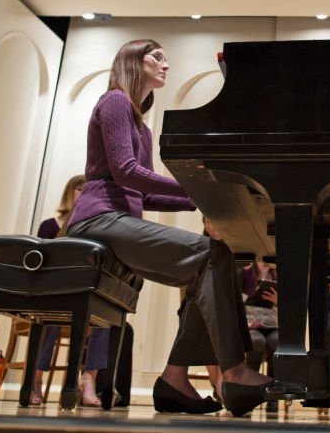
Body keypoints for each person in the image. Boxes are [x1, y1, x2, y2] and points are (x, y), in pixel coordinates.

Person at [64, 39, 271, 417]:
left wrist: (196, 200)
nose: (165, 64)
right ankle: (234, 369)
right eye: (157, 56)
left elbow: (137, 194)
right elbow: (127, 173)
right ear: (132, 61)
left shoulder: (140, 127)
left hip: (119, 220)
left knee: (206, 269)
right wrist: (196, 187)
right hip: (97, 221)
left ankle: (174, 377)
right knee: (213, 253)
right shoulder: (114, 102)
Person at [30, 174, 107, 407]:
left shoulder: (94, 229)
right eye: (79, 189)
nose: (83, 194)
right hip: (51, 291)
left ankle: (89, 379)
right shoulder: (49, 225)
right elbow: (38, 263)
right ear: (69, 192)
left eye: (88, 191)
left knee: (105, 317)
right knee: (53, 315)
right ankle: (36, 380)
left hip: (81, 293)